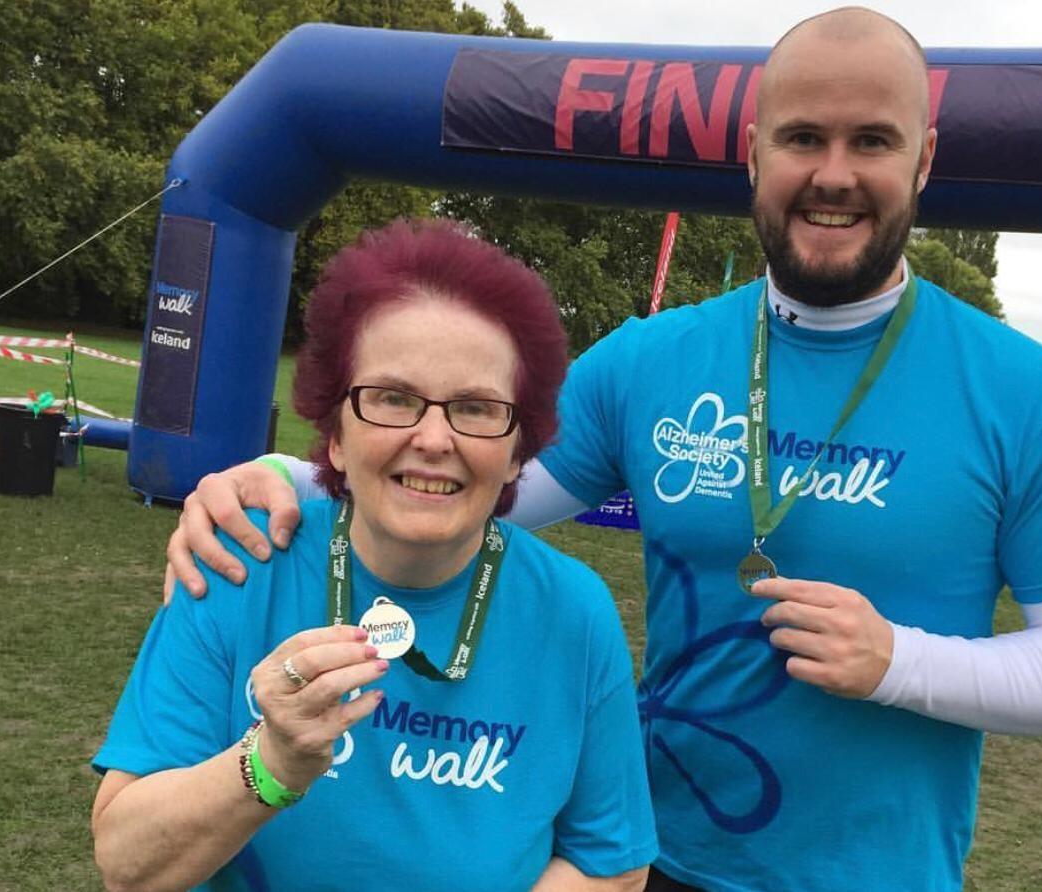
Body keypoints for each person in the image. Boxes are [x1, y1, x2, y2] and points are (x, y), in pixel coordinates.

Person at [163, 8, 1042, 892]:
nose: (833, 173)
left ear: (925, 159)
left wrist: (899, 662)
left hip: (880, 872)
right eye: (802, 137)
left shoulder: (1029, 395)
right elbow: (470, 487)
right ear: (753, 150)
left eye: (872, 140)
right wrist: (283, 475)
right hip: (651, 856)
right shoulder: (650, 361)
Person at [93, 220, 657, 892]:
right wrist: (271, 761)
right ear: (334, 435)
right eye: (393, 398)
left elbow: (612, 861)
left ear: (516, 453)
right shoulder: (238, 563)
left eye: (476, 409)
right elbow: (128, 864)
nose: (433, 438)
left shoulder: (574, 611)